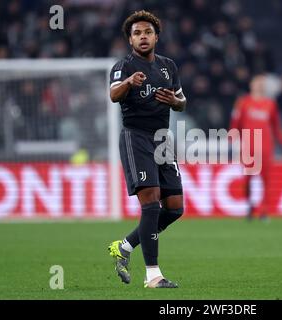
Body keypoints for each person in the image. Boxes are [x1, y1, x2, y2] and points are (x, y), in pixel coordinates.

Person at [108, 10, 186, 289]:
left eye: (148, 32)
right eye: (137, 33)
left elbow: (182, 101)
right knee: (151, 203)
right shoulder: (123, 66)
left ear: (156, 37)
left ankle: (126, 246)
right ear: (130, 40)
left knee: (175, 208)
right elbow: (114, 94)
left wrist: (174, 102)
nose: (143, 37)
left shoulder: (168, 66)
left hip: (163, 139)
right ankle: (153, 275)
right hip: (136, 137)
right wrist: (129, 83)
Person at [230, 74, 282, 221]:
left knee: (266, 180)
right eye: (257, 83)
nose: (259, 85)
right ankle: (250, 205)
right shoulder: (243, 102)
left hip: (266, 147)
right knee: (247, 179)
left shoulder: (270, 104)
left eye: (262, 83)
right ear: (251, 85)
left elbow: (276, 125)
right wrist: (232, 136)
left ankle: (264, 211)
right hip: (249, 147)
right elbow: (236, 122)